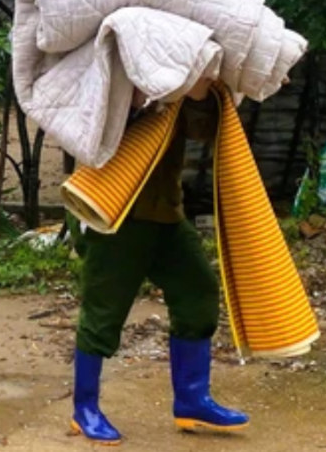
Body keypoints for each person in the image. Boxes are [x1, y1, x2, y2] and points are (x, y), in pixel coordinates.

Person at [71, 78, 248, 445]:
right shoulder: (109, 67)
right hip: (112, 212)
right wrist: (135, 100)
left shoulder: (175, 74)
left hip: (166, 212)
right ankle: (84, 409)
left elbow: (203, 131)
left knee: (198, 293)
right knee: (103, 313)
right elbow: (81, 127)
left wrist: (198, 92)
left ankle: (191, 400)